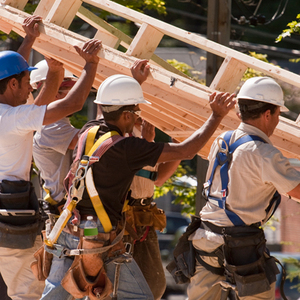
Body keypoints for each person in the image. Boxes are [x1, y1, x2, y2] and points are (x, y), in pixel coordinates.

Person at [45, 58, 235, 300]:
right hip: (100, 237)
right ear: (125, 114)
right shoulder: (127, 148)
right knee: (143, 295)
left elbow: (117, 112)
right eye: (135, 113)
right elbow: (186, 150)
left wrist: (132, 85)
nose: (137, 119)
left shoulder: (89, 131)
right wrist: (216, 116)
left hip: (71, 226)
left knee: (56, 295)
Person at [0, 10, 102, 299]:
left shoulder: (9, 114)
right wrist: (90, 65)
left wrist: (30, 41)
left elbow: (12, 77)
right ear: (13, 85)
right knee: (28, 292)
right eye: (25, 84)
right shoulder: (12, 118)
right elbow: (73, 104)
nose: (30, 93)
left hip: (10, 213)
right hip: (11, 216)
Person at [186, 76, 300, 300]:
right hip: (242, 247)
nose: (278, 120)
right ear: (268, 114)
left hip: (206, 240)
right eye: (278, 114)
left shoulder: (222, 140)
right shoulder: (265, 154)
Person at [124, 116, 181, 300]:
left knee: (154, 285)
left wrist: (179, 146)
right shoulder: (119, 134)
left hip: (144, 217)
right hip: (123, 221)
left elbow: (158, 178)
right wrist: (146, 144)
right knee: (117, 284)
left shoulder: (144, 135)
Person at [31, 60, 79, 216]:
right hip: (63, 216)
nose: (77, 97)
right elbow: (88, 140)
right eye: (72, 91)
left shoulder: (58, 123)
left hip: (67, 212)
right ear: (56, 92)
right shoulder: (50, 127)